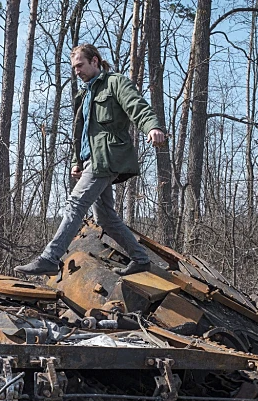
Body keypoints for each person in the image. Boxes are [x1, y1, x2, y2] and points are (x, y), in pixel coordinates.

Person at [15, 44, 166, 276]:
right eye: (74, 67)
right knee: (105, 218)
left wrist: (153, 127)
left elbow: (137, 106)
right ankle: (140, 259)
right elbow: (82, 133)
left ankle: (50, 258)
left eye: (80, 65)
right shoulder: (84, 95)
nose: (77, 71)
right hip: (90, 160)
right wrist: (77, 161)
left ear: (95, 61)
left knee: (75, 204)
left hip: (106, 157)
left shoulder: (114, 82)